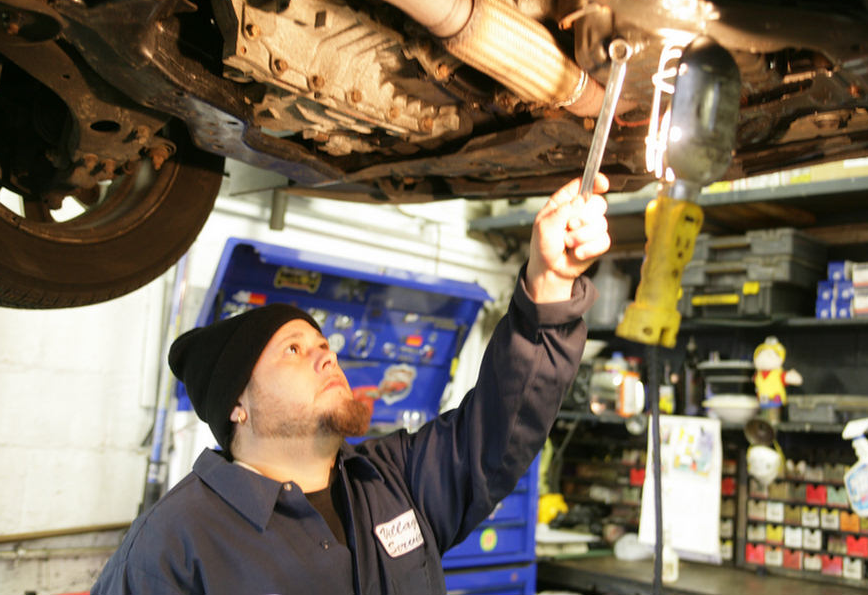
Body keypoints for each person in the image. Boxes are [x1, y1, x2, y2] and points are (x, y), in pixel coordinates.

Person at [91, 174, 611, 595]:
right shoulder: (174, 544)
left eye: (324, 345)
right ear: (237, 405)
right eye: (294, 349)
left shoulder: (394, 481)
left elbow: (502, 424)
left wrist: (548, 285)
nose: (325, 355)